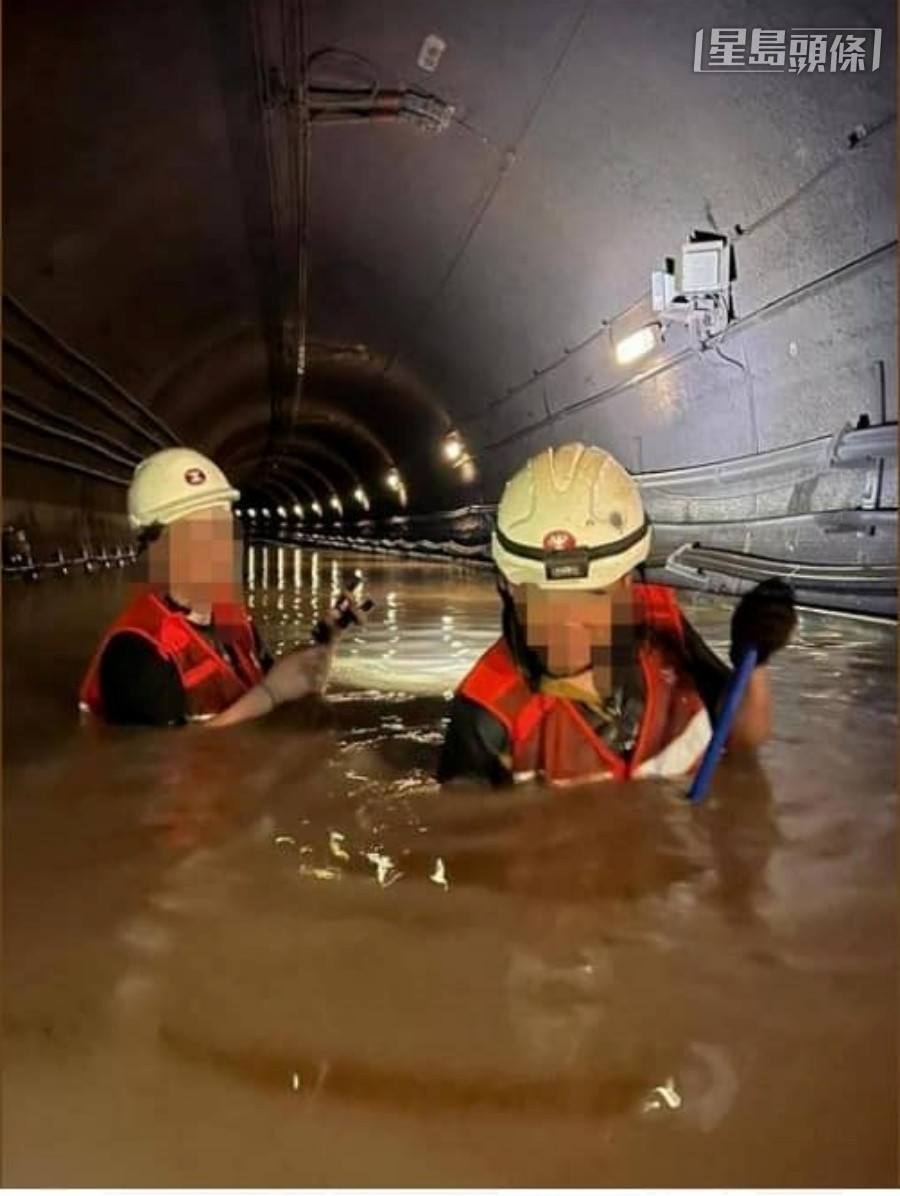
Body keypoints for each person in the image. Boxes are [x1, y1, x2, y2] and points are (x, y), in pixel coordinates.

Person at [437, 442, 796, 787]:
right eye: (542, 600)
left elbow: (743, 737)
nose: (565, 625)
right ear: (511, 589)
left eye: (590, 597)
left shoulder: (663, 627)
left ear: (626, 585)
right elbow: (462, 831)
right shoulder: (487, 711)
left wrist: (755, 662)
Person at [79, 447, 358, 728]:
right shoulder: (136, 653)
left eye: (225, 527)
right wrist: (270, 694)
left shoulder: (230, 620)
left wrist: (327, 640)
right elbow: (155, 757)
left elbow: (286, 697)